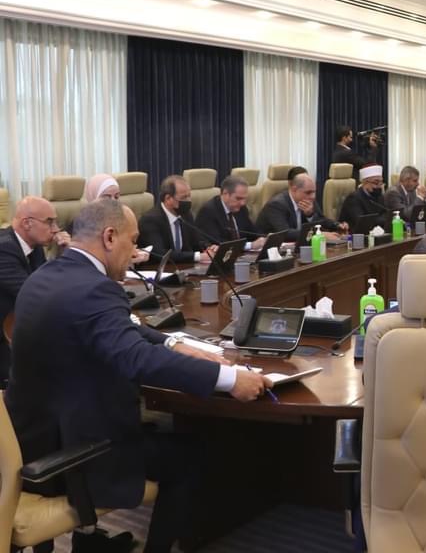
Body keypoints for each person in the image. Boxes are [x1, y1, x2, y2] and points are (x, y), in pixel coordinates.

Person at [5, 199, 271, 553]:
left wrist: (174, 342)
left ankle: (89, 542)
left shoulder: (45, 276)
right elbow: (137, 358)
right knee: (190, 456)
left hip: (32, 443)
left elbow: (122, 327)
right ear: (109, 237)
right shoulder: (95, 288)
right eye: (132, 241)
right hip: (77, 455)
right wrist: (230, 379)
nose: (135, 253)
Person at [0, 196, 65, 385]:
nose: (56, 229)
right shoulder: (3, 249)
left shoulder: (33, 244)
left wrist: (64, 254)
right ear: (27, 223)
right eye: (49, 222)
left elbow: (48, 282)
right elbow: (34, 293)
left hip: (21, 323)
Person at [138, 175, 216, 264]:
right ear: (168, 198)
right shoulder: (150, 220)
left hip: (184, 267)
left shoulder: (186, 215)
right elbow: (160, 254)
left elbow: (197, 241)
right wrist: (198, 256)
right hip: (158, 268)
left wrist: (209, 248)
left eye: (189, 196)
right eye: (184, 197)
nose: (188, 201)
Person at [256, 170, 345, 242]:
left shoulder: (307, 200)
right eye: (308, 192)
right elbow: (285, 233)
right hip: (268, 251)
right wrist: (319, 234)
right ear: (294, 189)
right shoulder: (276, 205)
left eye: (314, 192)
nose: (312, 196)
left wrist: (337, 225)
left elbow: (321, 220)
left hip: (297, 247)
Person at [195, 175, 266, 250]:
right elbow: (217, 243)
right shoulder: (208, 211)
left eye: (245, 199)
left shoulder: (241, 208)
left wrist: (263, 239)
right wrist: (250, 245)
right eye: (238, 198)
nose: (242, 203)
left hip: (242, 254)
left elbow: (253, 232)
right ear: (225, 194)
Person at [338, 165, 389, 231]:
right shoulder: (353, 198)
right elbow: (362, 221)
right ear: (365, 183)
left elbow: (385, 214)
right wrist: (381, 220)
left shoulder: (379, 196)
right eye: (376, 183)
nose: (379, 186)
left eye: (381, 182)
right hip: (355, 234)